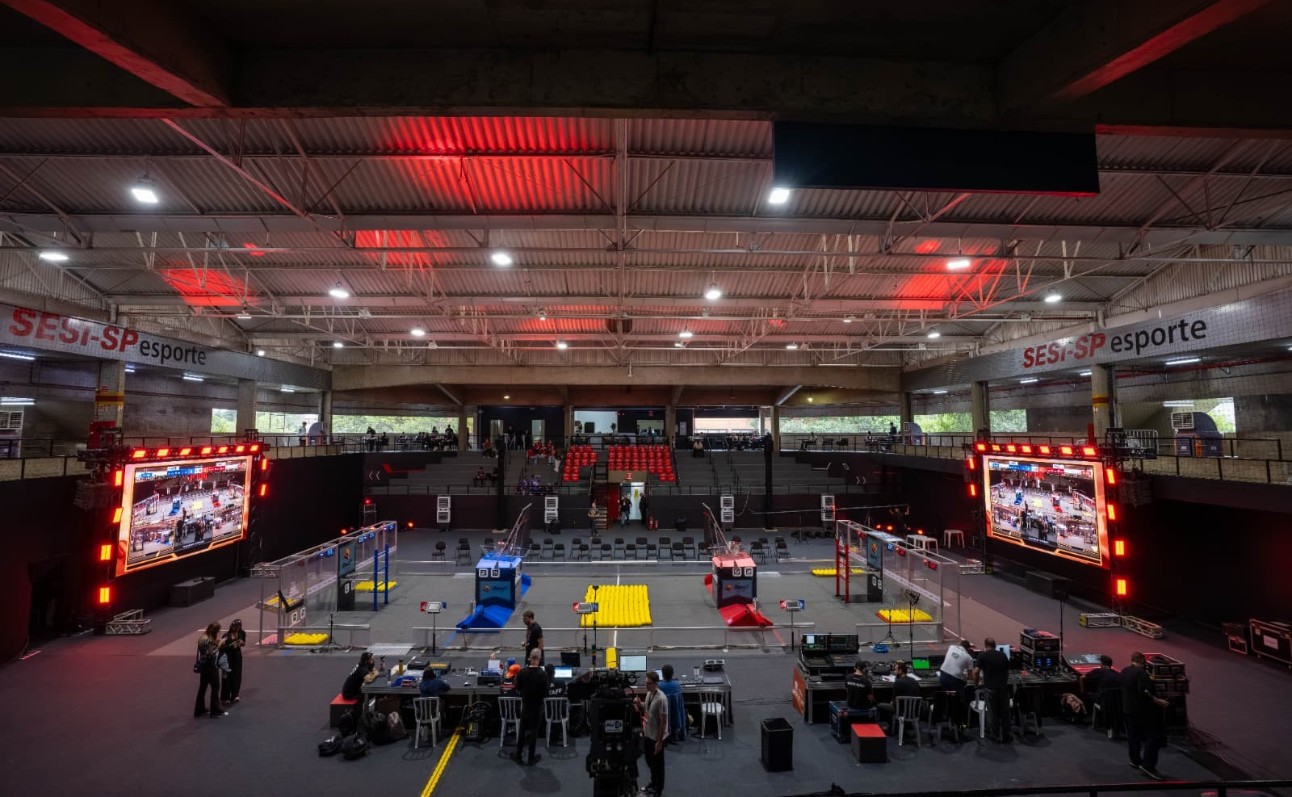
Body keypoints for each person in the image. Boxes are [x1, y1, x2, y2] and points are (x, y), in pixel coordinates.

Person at [1122, 652, 1169, 780]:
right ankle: (1148, 766)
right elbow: (1145, 692)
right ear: (1143, 661)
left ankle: (1135, 760)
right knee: (1154, 736)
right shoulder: (1141, 673)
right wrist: (1158, 701)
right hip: (1142, 711)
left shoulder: (1125, 671)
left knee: (1133, 736)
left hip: (1128, 709)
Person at [513, 650, 549, 766]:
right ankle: (531, 757)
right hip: (537, 707)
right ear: (539, 659)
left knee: (522, 731)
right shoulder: (543, 674)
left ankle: (518, 755)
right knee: (534, 732)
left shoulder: (522, 672)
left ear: (529, 658)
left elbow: (517, 688)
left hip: (526, 706)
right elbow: (546, 693)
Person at [637, 670, 668, 796]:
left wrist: (659, 742)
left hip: (656, 737)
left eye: (649, 683)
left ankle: (658, 790)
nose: (646, 685)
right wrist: (639, 704)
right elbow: (647, 708)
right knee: (650, 762)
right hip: (647, 734)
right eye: (646, 683)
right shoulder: (649, 694)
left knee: (658, 766)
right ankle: (653, 783)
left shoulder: (662, 699)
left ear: (656, 683)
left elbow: (663, 723)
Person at [976, 637, 1012, 742]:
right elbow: (1007, 672)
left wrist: (976, 683)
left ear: (985, 645)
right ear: (995, 646)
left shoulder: (982, 655)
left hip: (990, 689)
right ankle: (1006, 734)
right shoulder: (1003, 655)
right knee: (1005, 713)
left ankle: (994, 734)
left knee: (992, 713)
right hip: (1003, 688)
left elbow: (976, 671)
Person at [876, 661, 921, 734]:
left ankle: (892, 728)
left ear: (900, 671)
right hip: (914, 711)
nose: (894, 672)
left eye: (895, 670)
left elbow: (893, 700)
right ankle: (907, 725)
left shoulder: (897, 683)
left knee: (880, 706)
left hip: (902, 711)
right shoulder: (915, 681)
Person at [194, 622, 226, 718]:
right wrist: (219, 645)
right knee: (215, 687)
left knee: (202, 688)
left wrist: (215, 643)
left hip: (204, 667)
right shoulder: (206, 640)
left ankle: (199, 709)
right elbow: (210, 654)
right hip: (210, 666)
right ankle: (215, 711)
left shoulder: (204, 637)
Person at [219, 619, 246, 705]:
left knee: (237, 675)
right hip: (228, 657)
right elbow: (221, 648)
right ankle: (225, 697)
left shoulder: (242, 633)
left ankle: (235, 694)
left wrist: (241, 643)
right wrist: (231, 646)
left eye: (238, 627)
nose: (236, 629)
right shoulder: (226, 635)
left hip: (237, 657)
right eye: (235, 627)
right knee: (227, 676)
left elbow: (243, 642)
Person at [657, 664, 686, 743]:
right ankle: (675, 733)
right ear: (672, 674)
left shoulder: (659, 685)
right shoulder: (677, 684)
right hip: (676, 715)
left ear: (662, 674)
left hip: (663, 714)